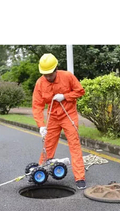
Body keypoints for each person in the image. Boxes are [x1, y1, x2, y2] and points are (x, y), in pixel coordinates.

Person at [32, 53, 86, 189]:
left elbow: (80, 91)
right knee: (48, 146)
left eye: (50, 74)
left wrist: (66, 96)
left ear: (56, 68)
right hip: (53, 117)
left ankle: (79, 177)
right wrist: (41, 126)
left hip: (68, 115)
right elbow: (37, 105)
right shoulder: (40, 83)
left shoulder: (67, 76)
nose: (48, 77)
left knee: (74, 145)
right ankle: (39, 173)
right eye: (45, 74)